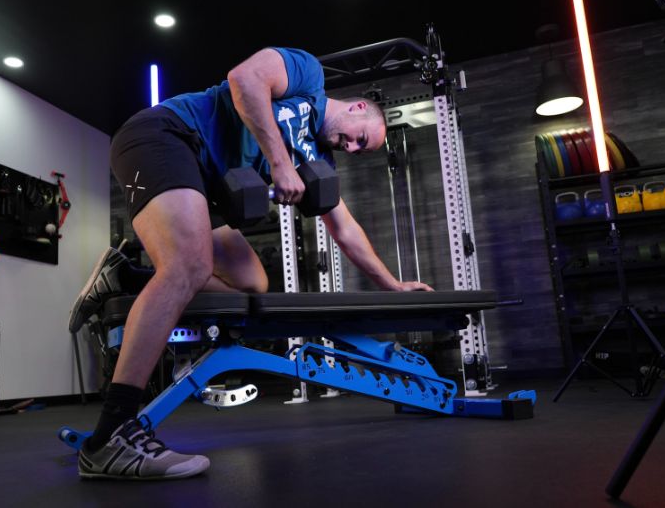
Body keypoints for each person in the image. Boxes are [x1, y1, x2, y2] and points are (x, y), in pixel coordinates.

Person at [69, 47, 433, 481]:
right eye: (359, 137)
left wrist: (391, 284)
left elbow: (346, 229)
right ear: (357, 107)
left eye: (359, 150)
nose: (352, 147)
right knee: (187, 266)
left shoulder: (317, 161)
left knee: (250, 287)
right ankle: (111, 437)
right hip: (167, 134)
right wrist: (279, 164)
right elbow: (244, 80)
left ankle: (125, 275)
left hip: (201, 180)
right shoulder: (308, 76)